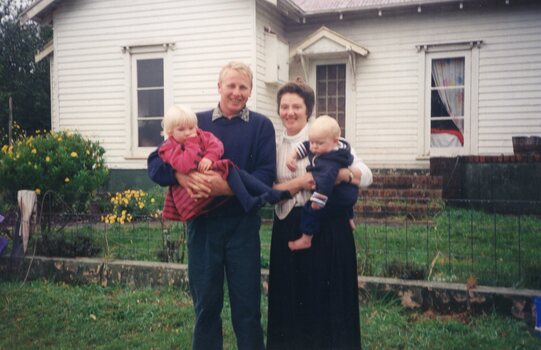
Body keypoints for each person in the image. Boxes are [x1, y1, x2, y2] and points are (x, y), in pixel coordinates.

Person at [147, 61, 274, 350]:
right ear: (219, 87)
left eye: (243, 87)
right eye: (231, 85)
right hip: (203, 228)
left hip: (243, 227)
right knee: (206, 309)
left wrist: (224, 187)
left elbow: (266, 176)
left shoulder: (261, 126)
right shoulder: (196, 122)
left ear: (251, 91)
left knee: (248, 311)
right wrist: (180, 175)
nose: (236, 92)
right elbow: (155, 163)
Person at [267, 78, 373, 350]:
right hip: (287, 226)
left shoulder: (328, 140)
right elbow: (267, 190)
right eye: (284, 106)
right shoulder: (274, 146)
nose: (289, 112)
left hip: (326, 228)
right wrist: (299, 184)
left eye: (296, 106)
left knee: (325, 303)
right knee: (290, 302)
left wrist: (344, 174)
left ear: (308, 110)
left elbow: (367, 176)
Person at [159, 104, 290, 221]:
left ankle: (264, 196)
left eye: (191, 128)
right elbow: (184, 164)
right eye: (181, 130)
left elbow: (216, 145)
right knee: (230, 169)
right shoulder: (170, 147)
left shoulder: (199, 132)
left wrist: (209, 157)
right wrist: (180, 172)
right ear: (170, 132)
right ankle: (254, 198)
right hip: (199, 205)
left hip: (213, 174)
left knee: (233, 170)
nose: (188, 133)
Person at [286, 115, 357, 251]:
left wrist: (317, 201)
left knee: (310, 209)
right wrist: (293, 155)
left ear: (335, 141)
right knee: (344, 201)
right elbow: (306, 146)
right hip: (347, 194)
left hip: (334, 195)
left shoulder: (330, 163)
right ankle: (350, 220)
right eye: (312, 141)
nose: (314, 147)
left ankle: (306, 238)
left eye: (318, 143)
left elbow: (325, 183)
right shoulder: (333, 147)